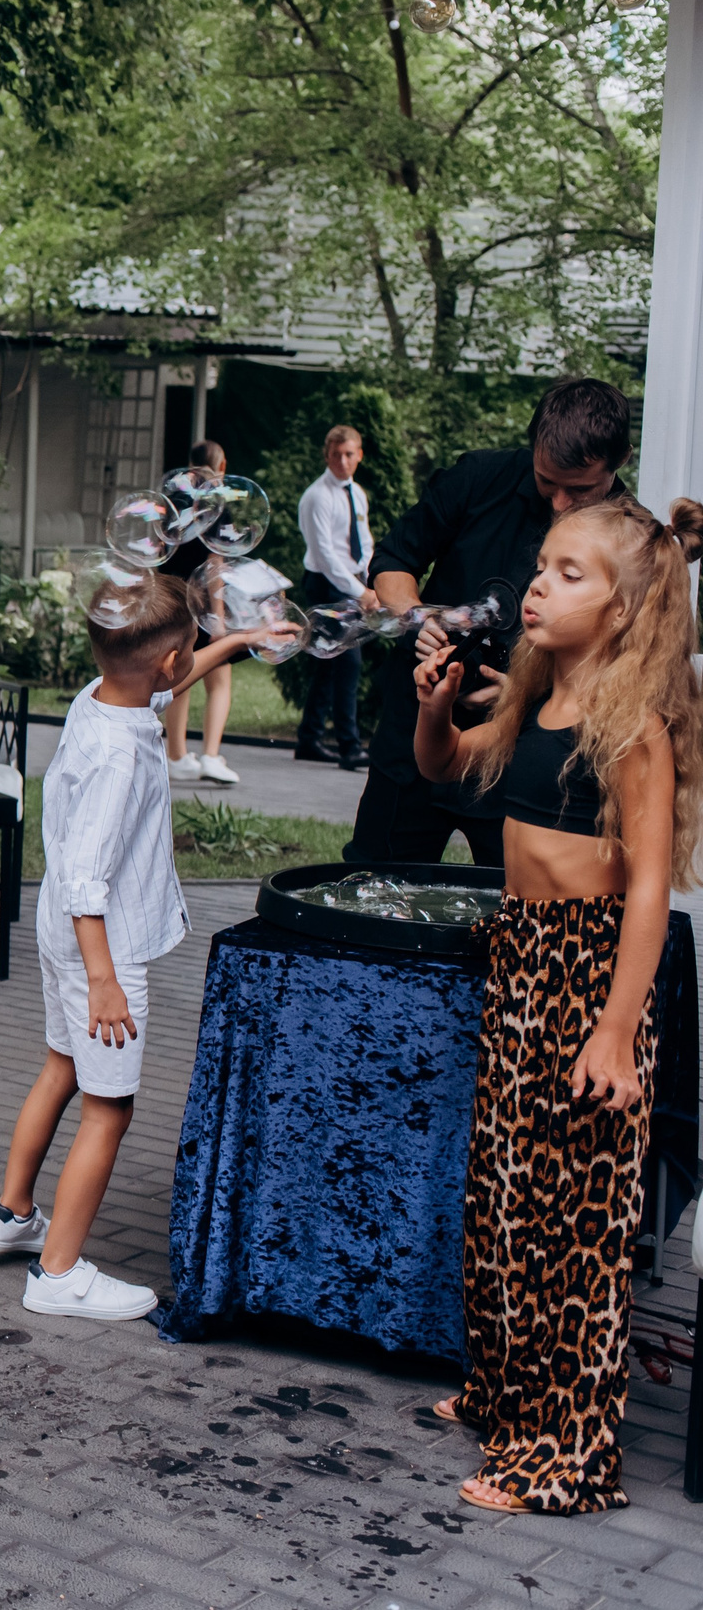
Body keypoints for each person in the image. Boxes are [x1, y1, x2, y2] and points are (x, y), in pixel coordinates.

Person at [409, 494, 702, 1514]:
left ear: (622, 611)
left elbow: (651, 885)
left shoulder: (633, 726)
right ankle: (503, 1392)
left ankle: (564, 1454)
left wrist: (618, 1026)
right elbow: (443, 767)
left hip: (589, 973)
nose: (539, 581)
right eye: (543, 563)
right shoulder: (536, 698)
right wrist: (434, 705)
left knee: (571, 1221)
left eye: (570, 571)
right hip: (521, 959)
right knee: (502, 1197)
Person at [0, 571, 286, 1319]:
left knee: (61, 1066)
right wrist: (106, 979)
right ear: (171, 662)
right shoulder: (121, 756)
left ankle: (12, 1214)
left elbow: (166, 682)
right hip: (98, 942)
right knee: (110, 1107)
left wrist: (237, 641)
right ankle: (58, 1273)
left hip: (61, 929)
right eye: (190, 653)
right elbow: (87, 877)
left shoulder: (99, 696)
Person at [348, 377, 632, 866]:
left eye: (579, 490)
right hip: (413, 736)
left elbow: (629, 664)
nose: (559, 504)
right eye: (547, 483)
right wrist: (419, 617)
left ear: (620, 461)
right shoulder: (478, 477)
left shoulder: (632, 537)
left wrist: (527, 695)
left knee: (512, 914)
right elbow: (394, 562)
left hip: (527, 761)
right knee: (374, 886)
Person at [159, 440, 239, 786]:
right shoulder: (218, 498)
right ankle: (210, 755)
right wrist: (219, 618)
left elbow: (161, 550)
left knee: (181, 676)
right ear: (221, 466)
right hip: (203, 603)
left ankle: (176, 756)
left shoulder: (173, 498)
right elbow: (215, 563)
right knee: (218, 680)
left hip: (174, 597)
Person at [295, 424, 374, 769]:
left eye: (349, 454)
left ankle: (309, 739)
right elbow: (325, 555)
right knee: (347, 664)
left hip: (351, 582)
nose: (343, 461)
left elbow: (364, 541)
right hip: (326, 584)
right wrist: (359, 591)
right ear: (327, 455)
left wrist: (369, 580)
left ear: (359, 455)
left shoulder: (357, 493)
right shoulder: (318, 496)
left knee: (328, 667)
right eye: (336, 454)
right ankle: (349, 746)